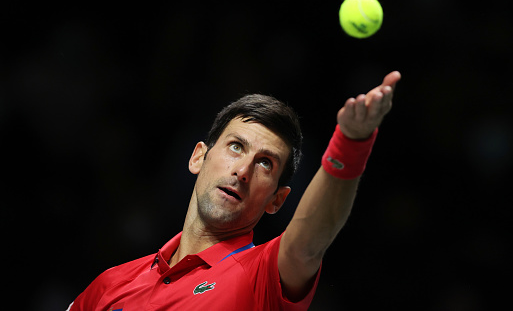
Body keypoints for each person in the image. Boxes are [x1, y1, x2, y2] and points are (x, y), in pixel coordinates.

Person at [68, 71, 402, 310]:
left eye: (265, 163)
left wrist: (351, 142)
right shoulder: (109, 285)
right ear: (199, 156)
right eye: (236, 147)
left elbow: (310, 240)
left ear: (277, 200)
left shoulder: (263, 277)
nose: (242, 171)